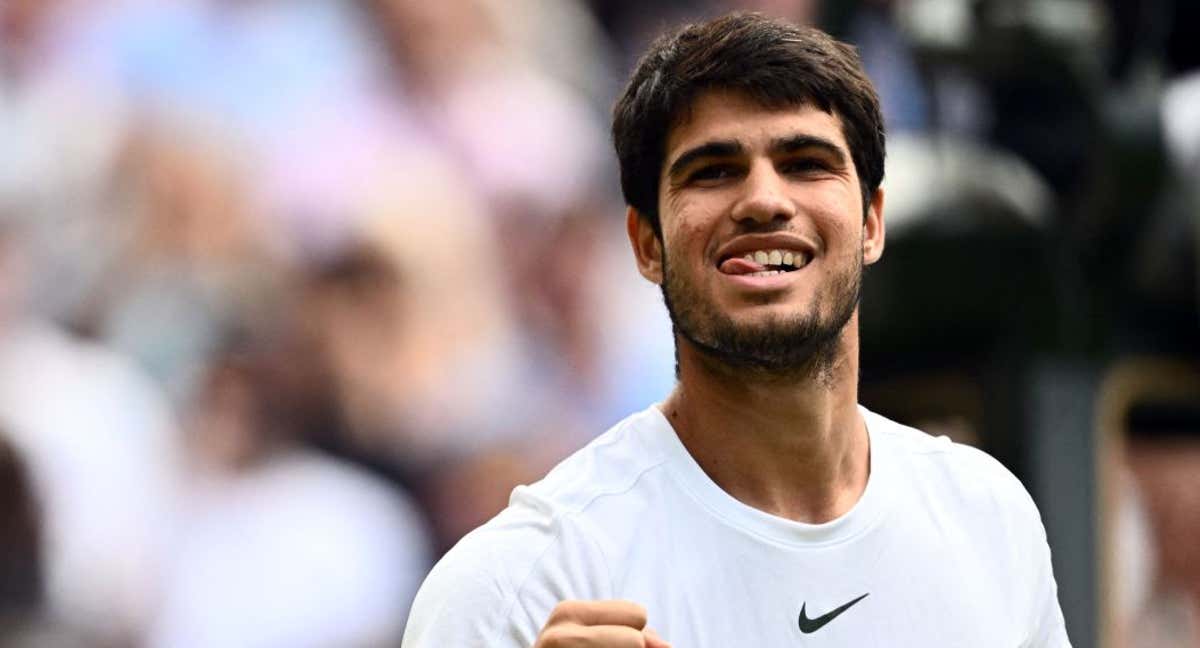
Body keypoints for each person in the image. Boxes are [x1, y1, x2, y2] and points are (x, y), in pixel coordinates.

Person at [402, 12, 1071, 647]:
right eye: (714, 171)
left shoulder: (987, 520)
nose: (763, 201)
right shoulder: (518, 585)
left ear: (871, 222)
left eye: (806, 162)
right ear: (646, 244)